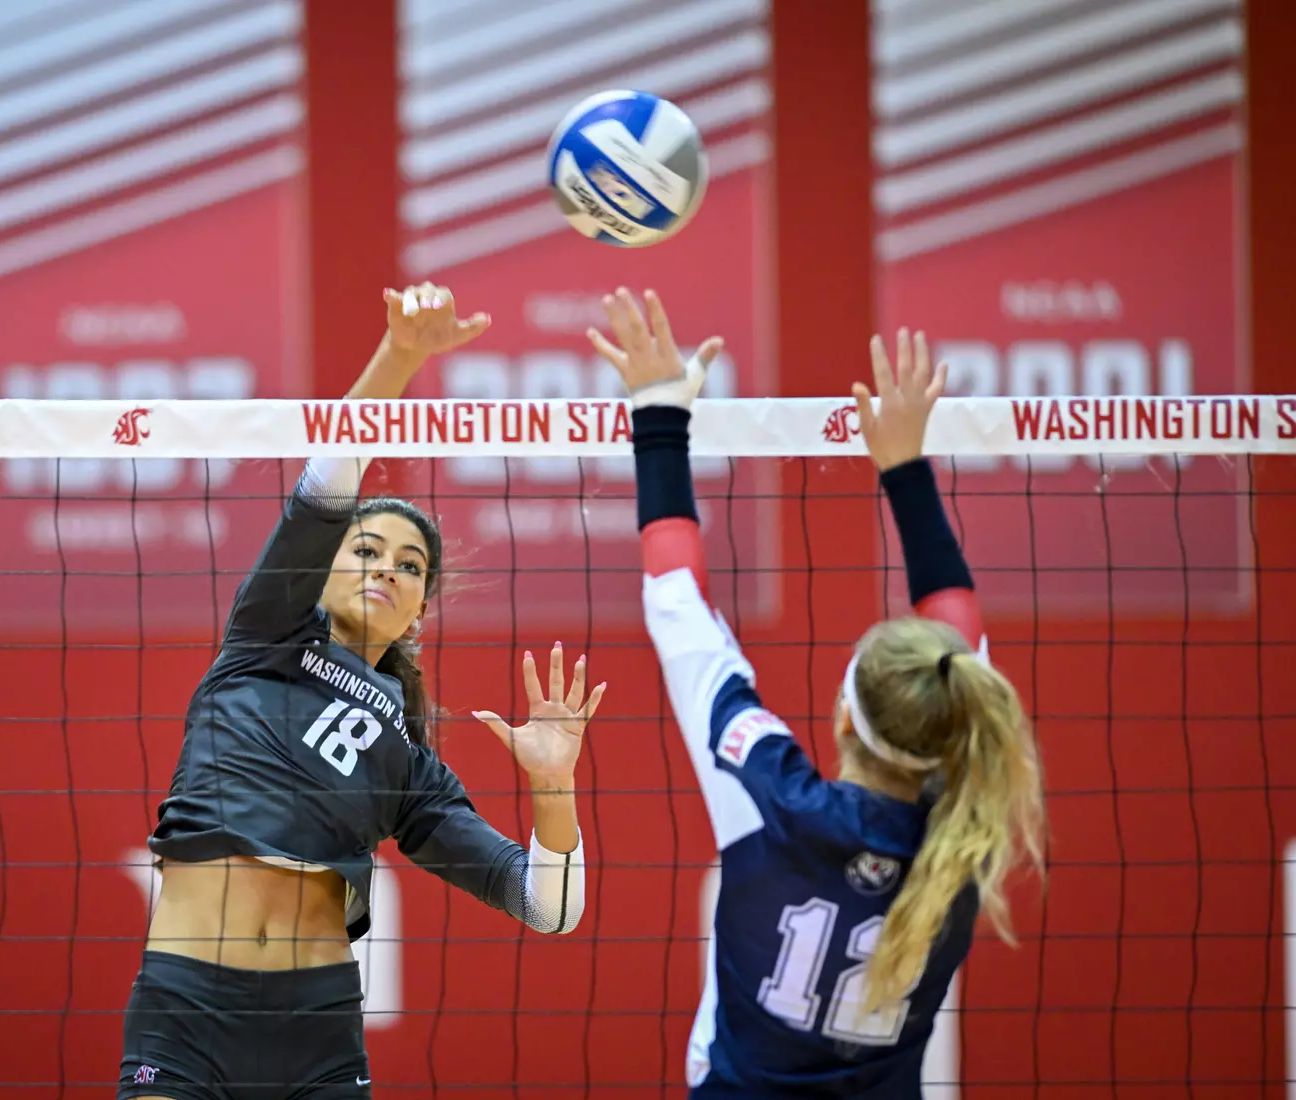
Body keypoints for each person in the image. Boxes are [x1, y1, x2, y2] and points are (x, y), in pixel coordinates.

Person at [119, 283, 607, 1100]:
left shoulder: (407, 767)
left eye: (409, 566)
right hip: (187, 1005)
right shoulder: (267, 632)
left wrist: (553, 789)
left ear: (421, 606)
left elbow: (548, 909)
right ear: (323, 568)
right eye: (366, 549)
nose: (385, 566)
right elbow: (327, 478)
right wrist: (402, 357)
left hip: (317, 1026)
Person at [586, 288, 1046, 1097]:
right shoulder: (965, 824)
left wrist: (658, 410)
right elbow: (961, 657)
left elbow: (674, 604)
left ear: (843, 716)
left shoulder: (770, 798)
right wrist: (902, 462)